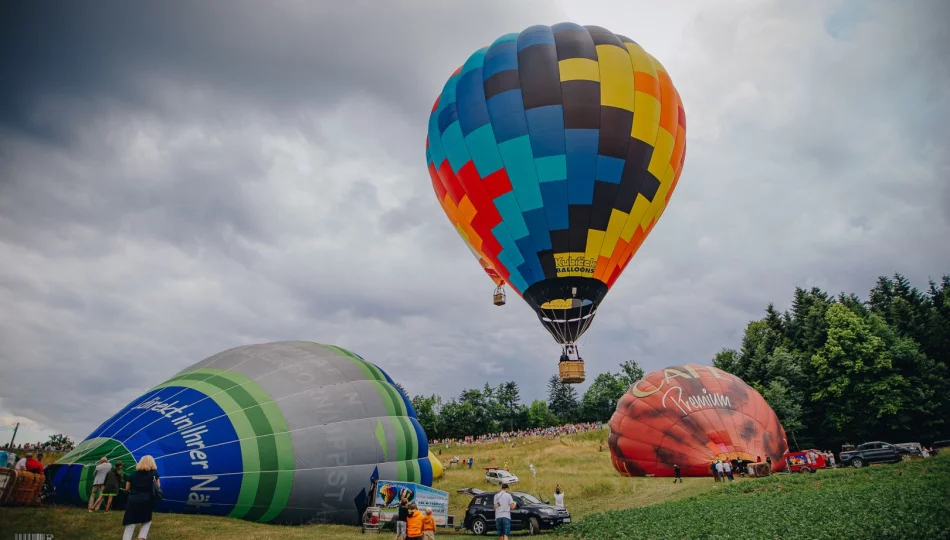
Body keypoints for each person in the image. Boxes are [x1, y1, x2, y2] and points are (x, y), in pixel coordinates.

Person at [122, 455, 159, 540]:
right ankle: (141, 538)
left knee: (130, 523)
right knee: (146, 521)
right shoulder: (154, 474)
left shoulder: (133, 474)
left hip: (133, 499)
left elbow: (127, 488)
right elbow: (158, 487)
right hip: (147, 500)